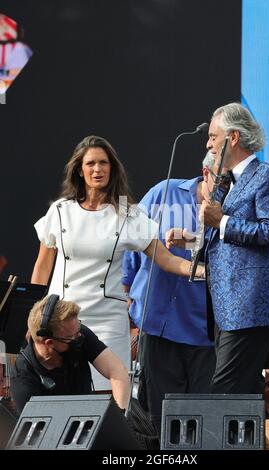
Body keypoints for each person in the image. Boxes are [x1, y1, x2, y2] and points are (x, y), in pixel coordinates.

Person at [31, 135, 204, 391]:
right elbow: (43, 266)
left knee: (108, 400)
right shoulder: (60, 210)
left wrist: (203, 271)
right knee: (62, 398)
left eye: (103, 163)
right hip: (59, 321)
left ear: (112, 168)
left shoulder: (127, 214)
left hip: (107, 321)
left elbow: (165, 259)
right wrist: (36, 319)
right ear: (79, 169)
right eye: (90, 164)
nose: (97, 169)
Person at [171, 102, 269, 395]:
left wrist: (221, 220)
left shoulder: (266, 176)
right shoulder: (227, 182)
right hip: (225, 309)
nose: (208, 144)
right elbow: (225, 238)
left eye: (213, 136)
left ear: (233, 137)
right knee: (242, 394)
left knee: (223, 392)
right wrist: (190, 238)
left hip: (250, 308)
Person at [122, 151, 219, 439]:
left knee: (201, 424)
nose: (228, 187)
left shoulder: (232, 210)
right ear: (205, 173)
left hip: (205, 332)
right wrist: (128, 301)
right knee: (157, 422)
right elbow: (132, 247)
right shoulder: (163, 192)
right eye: (222, 179)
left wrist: (191, 240)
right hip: (157, 326)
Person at [10, 296, 130, 414]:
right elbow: (34, 426)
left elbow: (117, 370)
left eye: (78, 330)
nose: (79, 337)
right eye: (72, 337)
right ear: (49, 343)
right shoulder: (23, 375)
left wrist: (120, 415)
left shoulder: (77, 333)